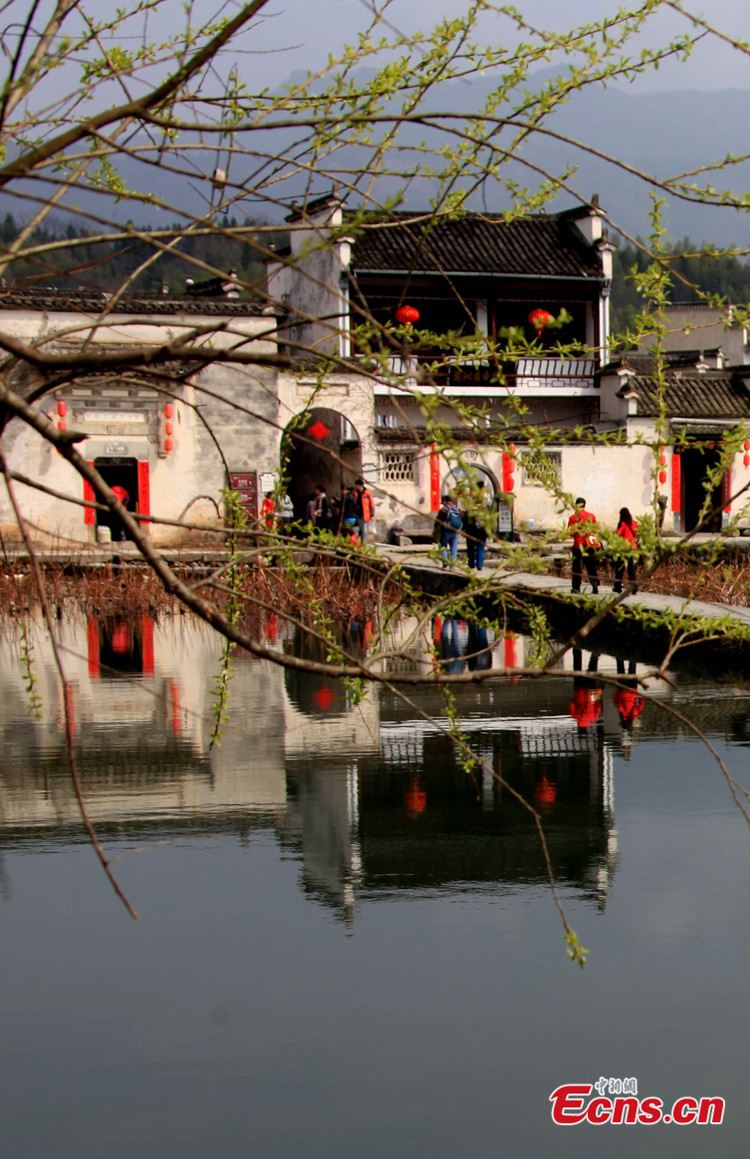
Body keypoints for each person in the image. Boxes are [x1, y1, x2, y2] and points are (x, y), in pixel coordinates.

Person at [568, 496, 600, 594]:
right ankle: (594, 583)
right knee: (591, 566)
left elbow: (570, 532)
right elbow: (596, 530)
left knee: (577, 567)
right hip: (590, 543)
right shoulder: (591, 516)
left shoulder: (573, 518)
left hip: (578, 544)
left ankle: (576, 588)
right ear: (584, 505)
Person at [463, 481, 490, 570]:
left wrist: (464, 528)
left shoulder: (471, 502)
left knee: (470, 548)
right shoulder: (486, 503)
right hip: (482, 529)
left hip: (471, 529)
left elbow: (466, 516)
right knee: (480, 547)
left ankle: (471, 564)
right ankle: (479, 566)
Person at [613, 506, 639, 593]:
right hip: (632, 548)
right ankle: (634, 586)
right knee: (631, 569)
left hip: (623, 549)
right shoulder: (634, 523)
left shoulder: (622, 524)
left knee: (620, 568)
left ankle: (617, 586)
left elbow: (617, 535)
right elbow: (637, 535)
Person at [436, 494, 462, 567]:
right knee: (453, 549)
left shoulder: (443, 510)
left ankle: (445, 562)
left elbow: (437, 521)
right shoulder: (457, 509)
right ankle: (452, 566)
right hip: (455, 531)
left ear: (445, 501)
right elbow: (462, 517)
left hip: (446, 532)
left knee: (442, 547)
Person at [354, 478, 376, 543]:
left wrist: (372, 515)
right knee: (356, 530)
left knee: (363, 531)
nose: (356, 487)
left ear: (360, 485)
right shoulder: (355, 493)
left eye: (357, 485)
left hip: (364, 515)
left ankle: (363, 544)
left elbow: (372, 504)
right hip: (357, 514)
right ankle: (357, 544)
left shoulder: (367, 493)